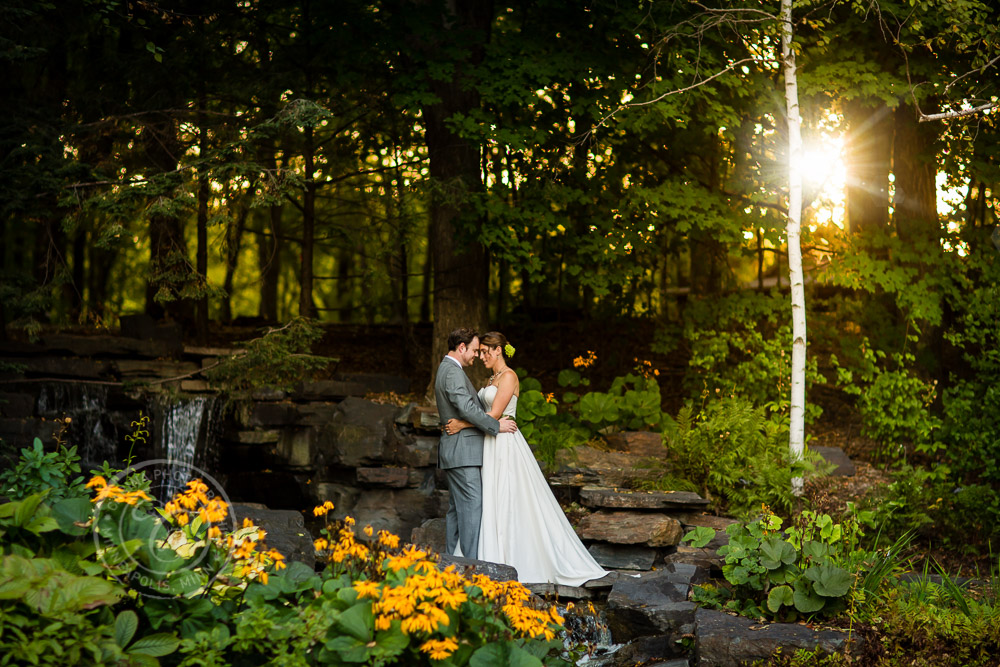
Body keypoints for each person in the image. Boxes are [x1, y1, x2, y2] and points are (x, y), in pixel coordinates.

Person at [444, 331, 608, 586]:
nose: (482, 356)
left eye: (486, 351)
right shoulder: (491, 378)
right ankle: (489, 554)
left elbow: (496, 413)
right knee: (491, 500)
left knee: (508, 499)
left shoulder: (509, 377)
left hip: (504, 443)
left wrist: (461, 425)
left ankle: (511, 558)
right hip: (489, 441)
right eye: (480, 351)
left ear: (499, 350)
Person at [434, 328, 518, 561]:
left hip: (464, 449)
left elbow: (471, 411)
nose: (476, 356)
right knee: (470, 508)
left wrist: (464, 424)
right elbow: (467, 408)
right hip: (463, 451)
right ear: (461, 348)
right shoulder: (452, 372)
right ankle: (470, 566)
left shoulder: (450, 369)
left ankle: (453, 559)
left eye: (481, 351)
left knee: (457, 510)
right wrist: (495, 426)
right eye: (473, 350)